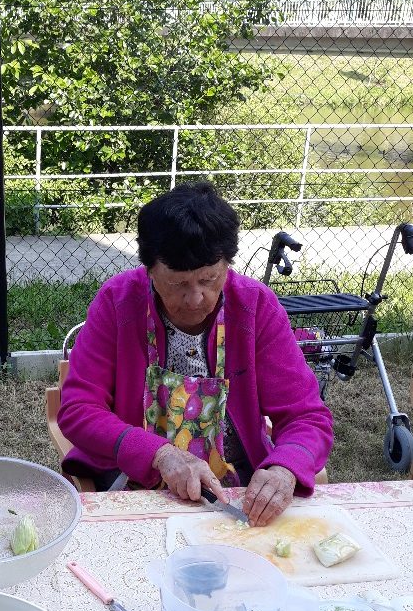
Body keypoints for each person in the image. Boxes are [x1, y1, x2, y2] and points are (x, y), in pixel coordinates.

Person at [57, 181, 333, 526]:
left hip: (236, 492)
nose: (196, 299)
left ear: (227, 265)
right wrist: (160, 454)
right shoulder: (118, 301)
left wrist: (285, 468)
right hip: (134, 486)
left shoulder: (255, 306)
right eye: (177, 284)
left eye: (209, 279)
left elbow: (307, 417)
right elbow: (79, 411)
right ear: (148, 268)